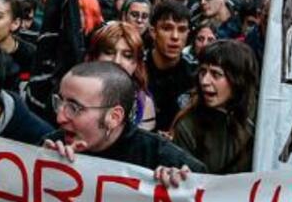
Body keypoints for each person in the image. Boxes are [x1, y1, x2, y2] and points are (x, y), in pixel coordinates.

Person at [47, 62, 197, 183]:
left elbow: (211, 199)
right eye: (59, 102)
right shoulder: (53, 147)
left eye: (74, 108)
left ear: (114, 117)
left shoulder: (161, 157)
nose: (60, 117)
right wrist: (39, 165)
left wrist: (186, 184)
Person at [170, 40, 258, 175]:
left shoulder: (259, 122)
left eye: (216, 74)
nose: (204, 81)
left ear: (238, 80)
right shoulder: (188, 127)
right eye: (203, 72)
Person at [87, 21, 157, 133]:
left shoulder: (142, 103)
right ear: (95, 57)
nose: (117, 61)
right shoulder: (75, 93)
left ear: (136, 64)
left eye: (127, 56)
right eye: (109, 52)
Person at [146, 0, 198, 133]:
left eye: (182, 30)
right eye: (167, 28)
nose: (175, 37)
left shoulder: (195, 74)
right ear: (153, 32)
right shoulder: (137, 68)